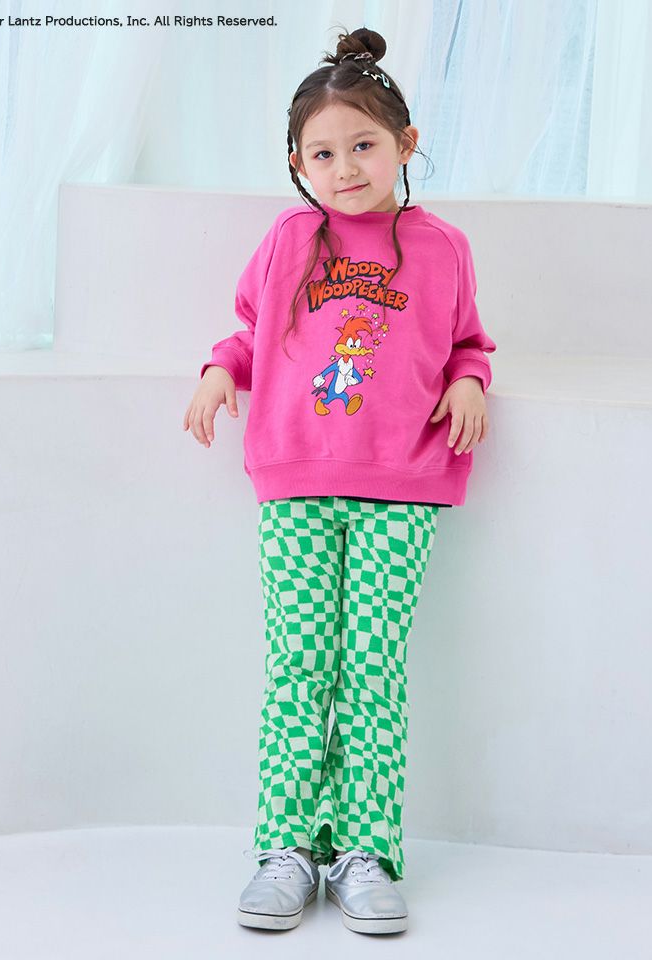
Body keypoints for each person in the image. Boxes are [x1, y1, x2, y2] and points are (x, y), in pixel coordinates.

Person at [183, 25, 496, 935]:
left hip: (404, 484)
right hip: (296, 484)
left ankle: (366, 852)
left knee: (373, 670)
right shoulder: (290, 240)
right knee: (300, 666)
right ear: (298, 163)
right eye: (322, 153)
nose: (345, 167)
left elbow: (469, 341)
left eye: (363, 145)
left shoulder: (442, 247)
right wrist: (219, 370)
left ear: (405, 143)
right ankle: (285, 848)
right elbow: (250, 331)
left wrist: (470, 381)